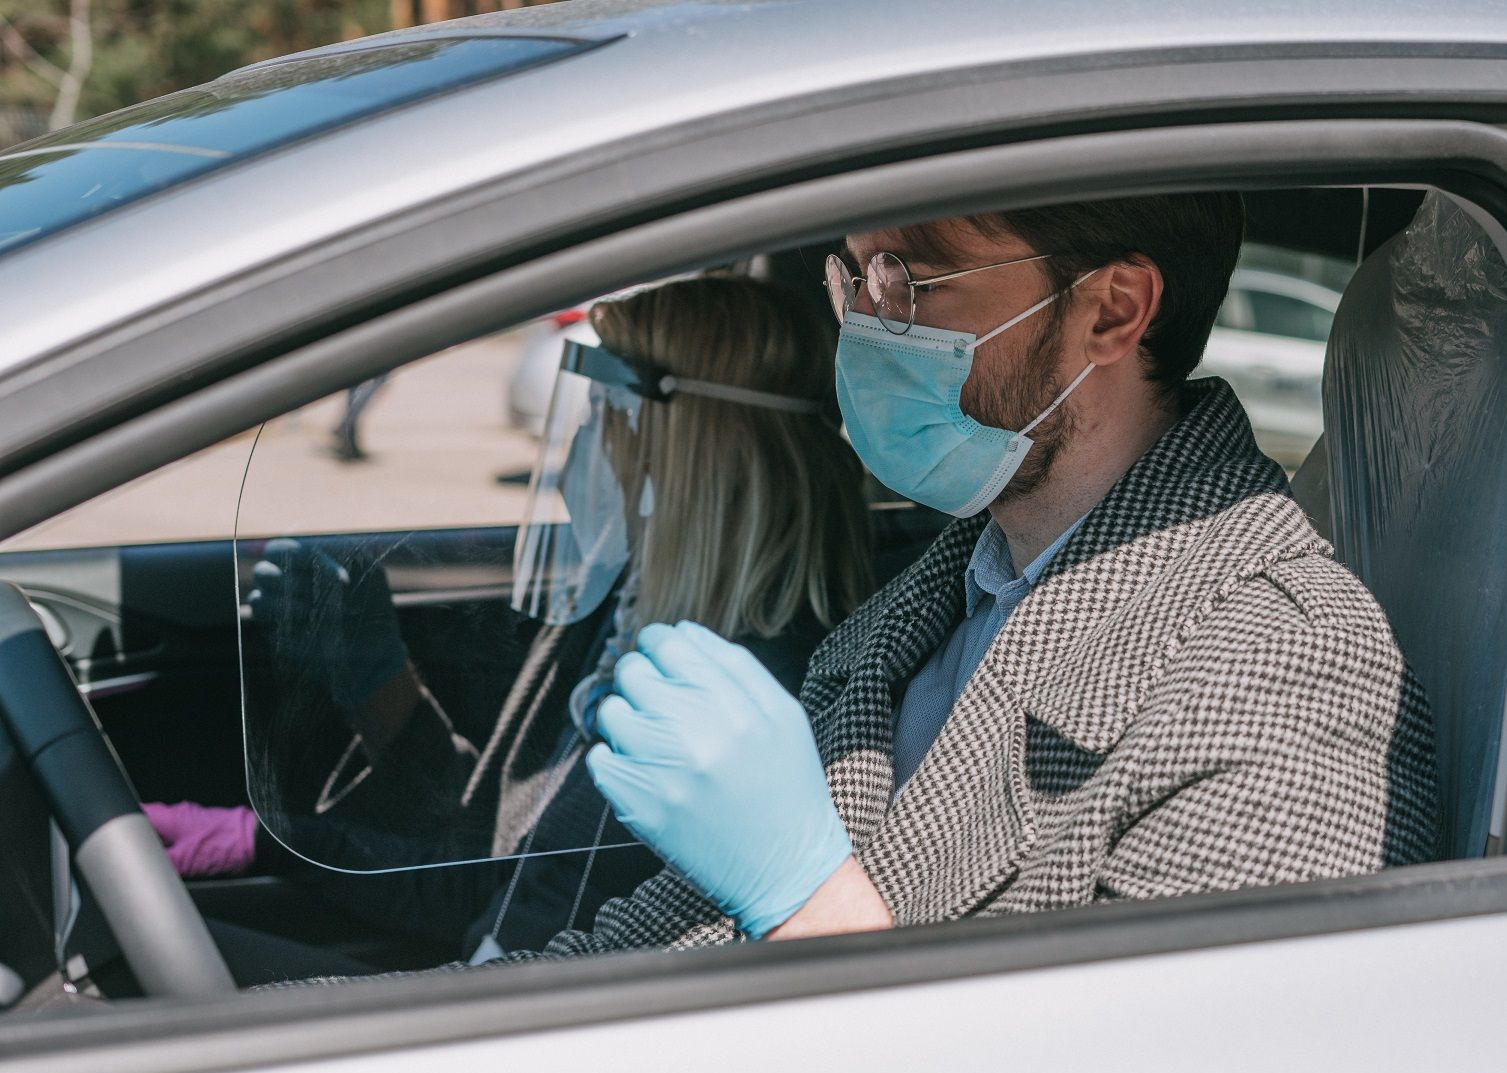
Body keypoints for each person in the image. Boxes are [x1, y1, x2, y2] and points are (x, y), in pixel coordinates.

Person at [446, 191, 1442, 964]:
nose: (867, 325)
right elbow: (619, 955)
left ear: (1112, 311)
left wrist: (813, 906)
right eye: (855, 277)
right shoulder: (930, 609)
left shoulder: (1287, 666)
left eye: (913, 281)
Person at [148, 277, 872, 974]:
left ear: (695, 452)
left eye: (607, 421)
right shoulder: (623, 621)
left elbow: (571, 956)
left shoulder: (759, 706)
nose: (581, 453)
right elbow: (492, 876)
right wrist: (271, 836)